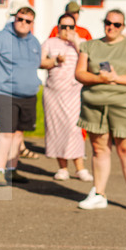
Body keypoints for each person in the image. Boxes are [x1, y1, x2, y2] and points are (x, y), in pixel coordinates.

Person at [74, 9, 126, 213]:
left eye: (117, 24)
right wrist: (99, 79)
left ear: (123, 27)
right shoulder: (89, 46)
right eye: (108, 22)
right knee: (99, 149)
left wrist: (116, 79)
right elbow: (79, 73)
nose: (112, 27)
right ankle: (99, 193)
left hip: (124, 103)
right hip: (94, 104)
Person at [0, 5, 42, 186]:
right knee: (6, 131)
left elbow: (35, 65)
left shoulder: (34, 42)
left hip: (28, 94)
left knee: (18, 134)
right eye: (20, 19)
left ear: (32, 23)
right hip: (5, 92)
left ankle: (12, 170)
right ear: (14, 19)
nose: (23, 23)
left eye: (27, 21)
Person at [40, 13, 92, 181]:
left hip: (73, 92)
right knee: (56, 130)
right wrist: (55, 61)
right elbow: (40, 62)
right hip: (53, 92)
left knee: (74, 129)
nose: (67, 30)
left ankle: (80, 167)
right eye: (64, 27)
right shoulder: (50, 43)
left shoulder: (80, 43)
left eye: (70, 27)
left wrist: (76, 41)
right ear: (58, 27)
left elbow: (90, 61)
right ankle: (62, 167)